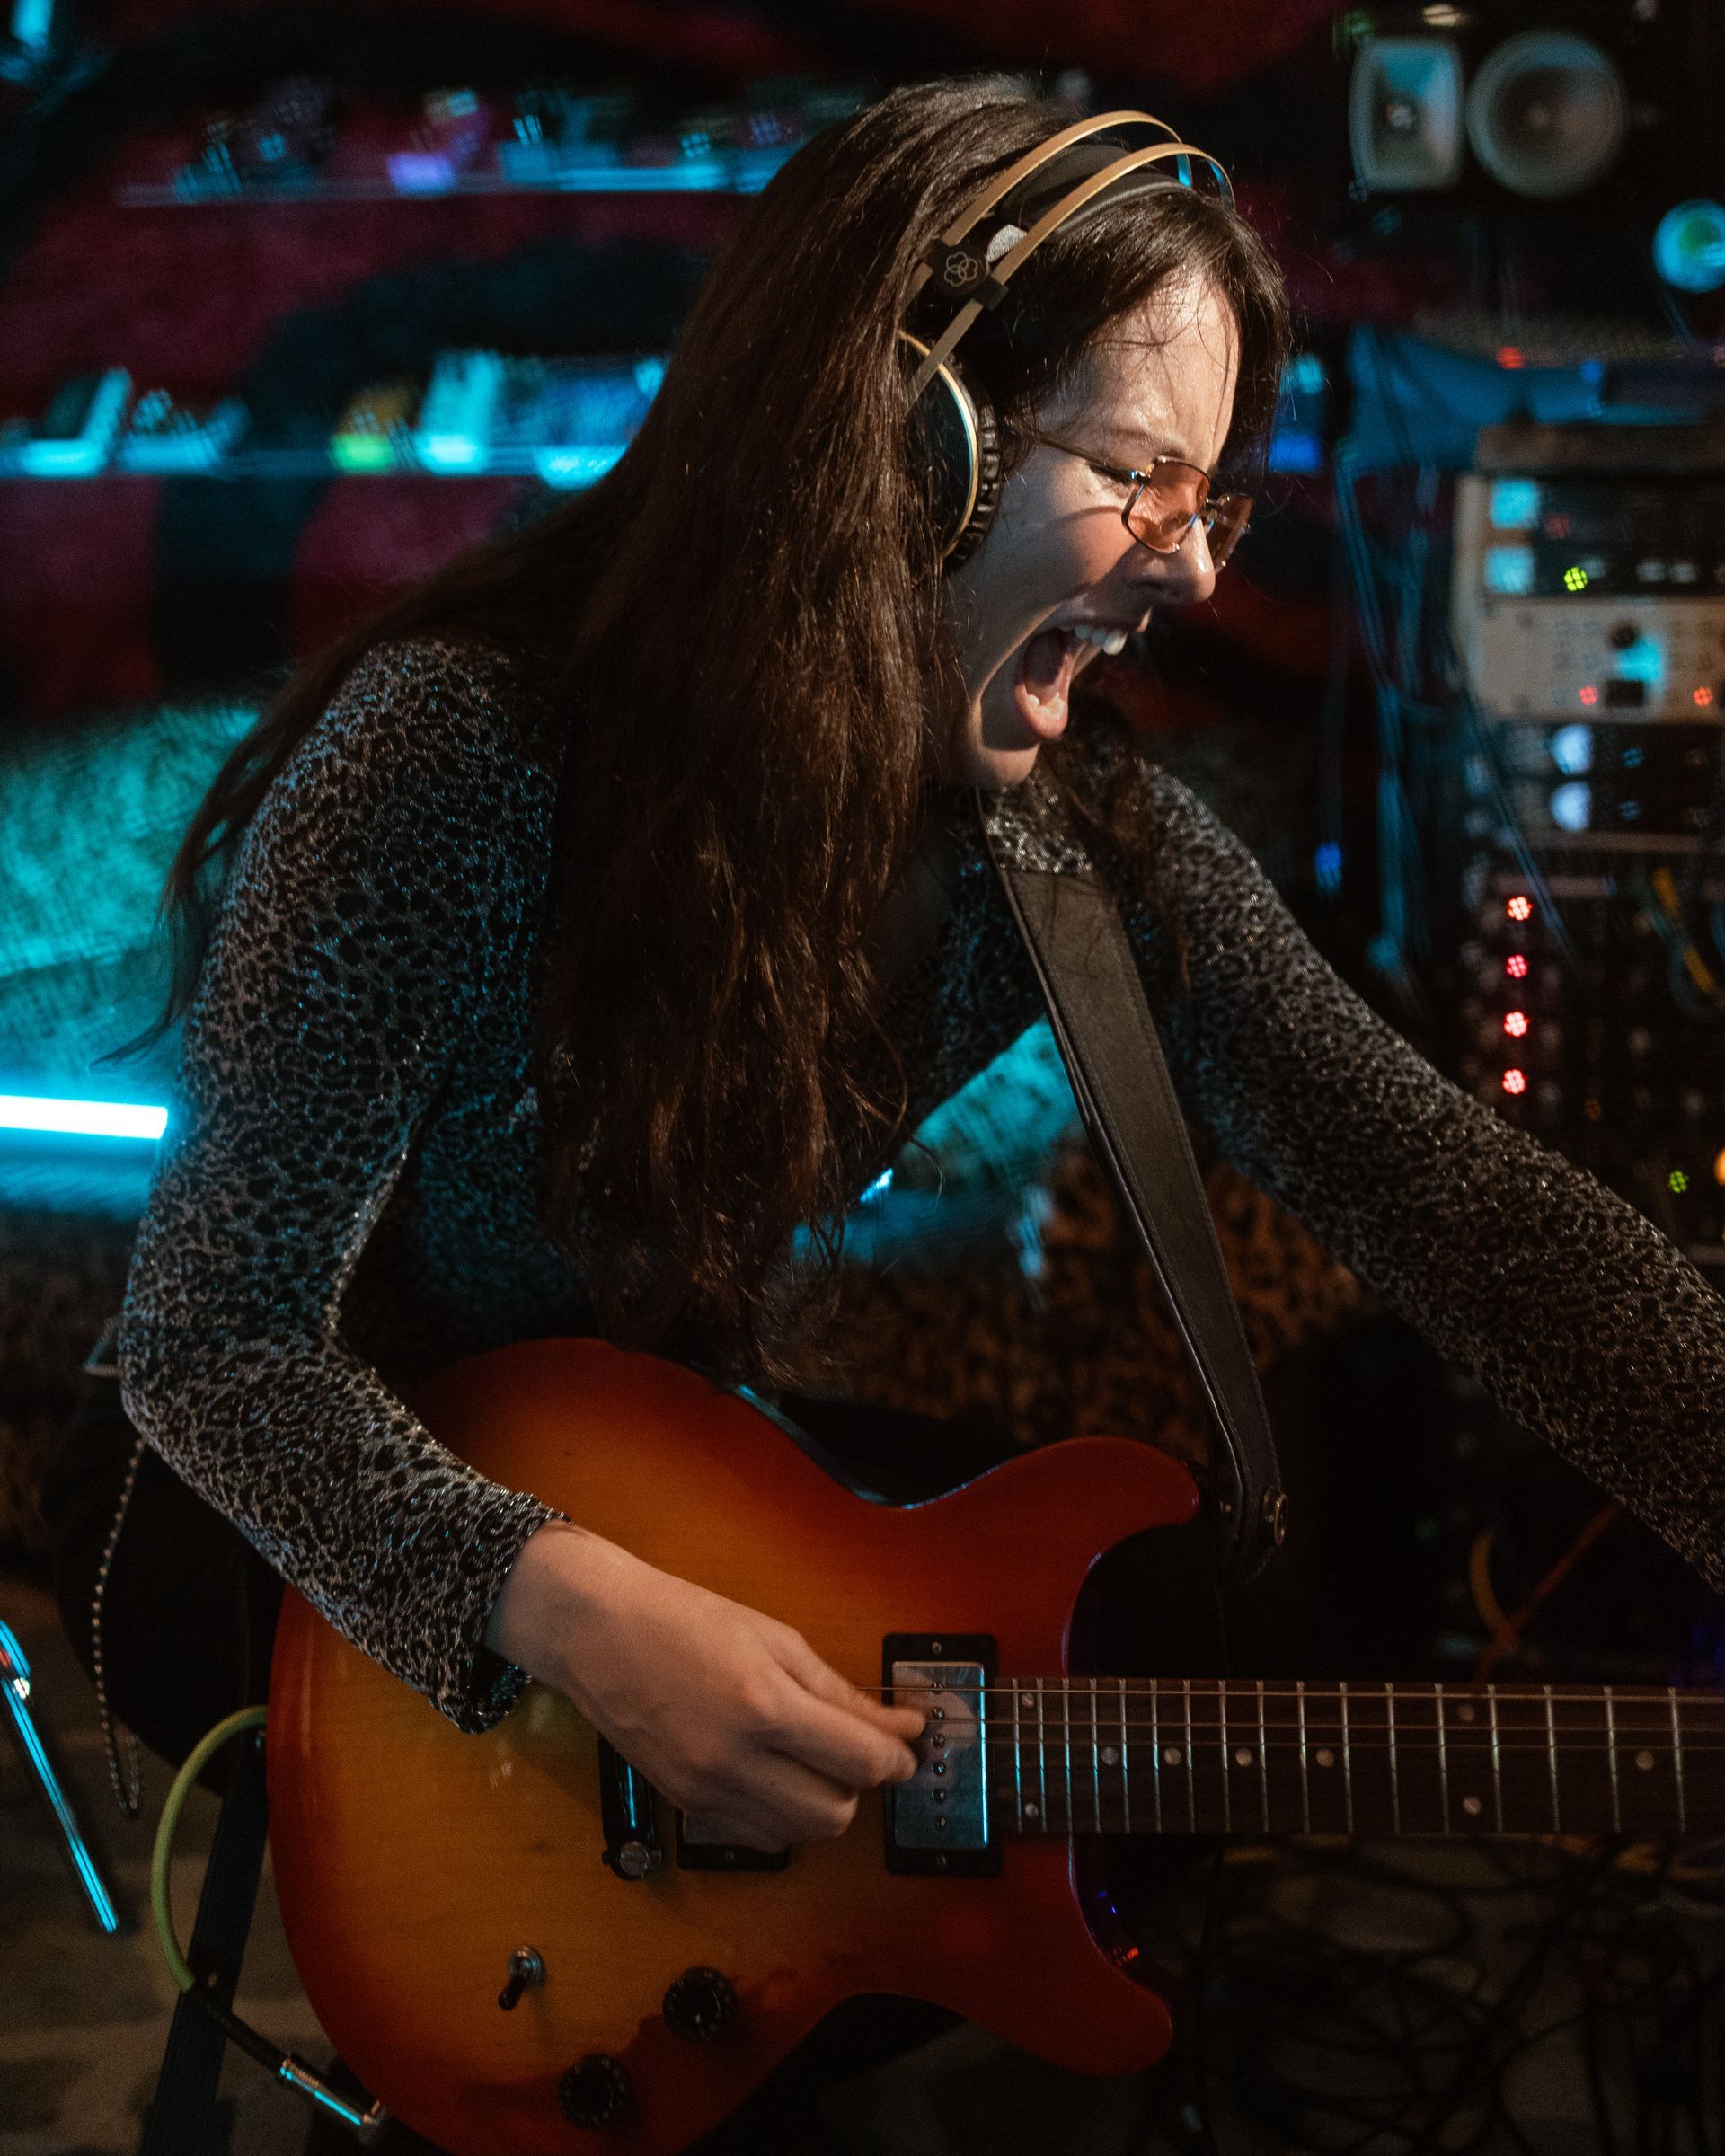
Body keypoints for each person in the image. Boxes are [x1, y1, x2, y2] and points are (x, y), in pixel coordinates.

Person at [41, 71, 1725, 2139]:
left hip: (657, 1455)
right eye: (1142, 476)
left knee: (1155, 1631)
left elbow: (1465, 1212)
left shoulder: (1072, 850)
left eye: (1216, 503)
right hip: (292, 1562)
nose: (1195, 572)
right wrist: (572, 1612)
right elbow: (210, 1350)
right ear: (908, 440)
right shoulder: (458, 752)